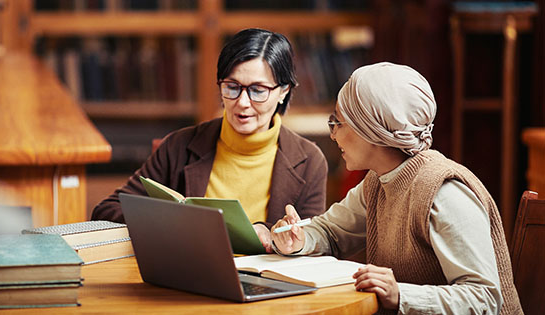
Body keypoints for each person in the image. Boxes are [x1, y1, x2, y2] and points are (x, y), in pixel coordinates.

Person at [270, 62, 522, 314]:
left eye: (339, 123)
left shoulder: (444, 193)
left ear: (371, 130)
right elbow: (331, 232)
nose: (333, 135)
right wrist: (299, 240)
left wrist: (401, 295)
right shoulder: (378, 182)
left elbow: (485, 299)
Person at [91, 28, 328, 252]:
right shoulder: (179, 146)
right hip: (191, 276)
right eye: (232, 87)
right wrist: (173, 221)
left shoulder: (309, 162)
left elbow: (314, 244)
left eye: (258, 90)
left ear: (283, 91)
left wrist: (272, 234)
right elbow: (106, 210)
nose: (242, 102)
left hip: (273, 286)